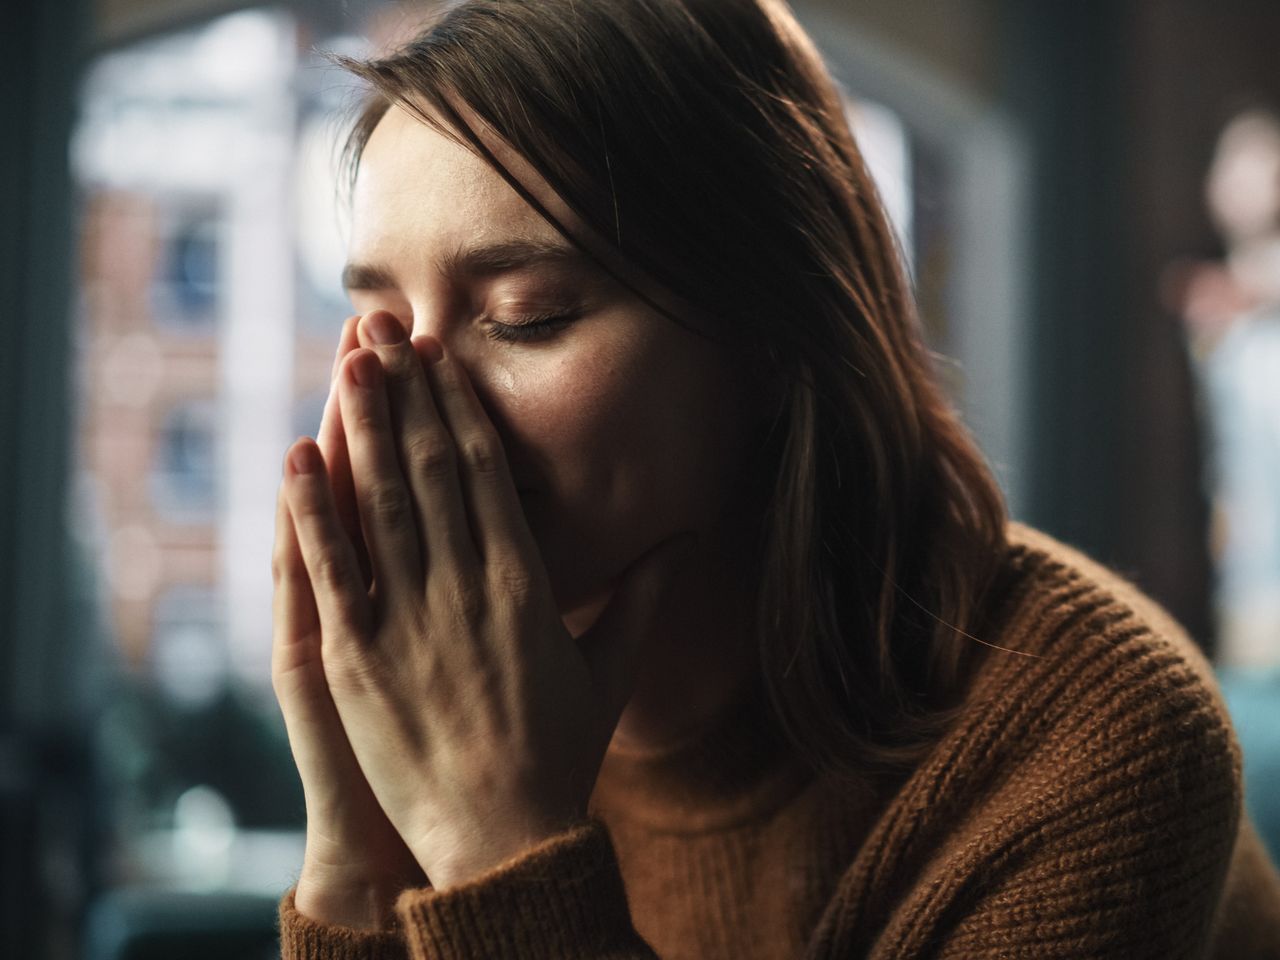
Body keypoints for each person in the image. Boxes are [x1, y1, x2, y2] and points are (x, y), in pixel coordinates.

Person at [270, 1, 1280, 956]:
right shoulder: (426, 714)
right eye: (382, 331)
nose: (415, 413)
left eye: (529, 313)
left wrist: (499, 846)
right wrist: (355, 866)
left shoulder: (1090, 751)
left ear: (771, 336)